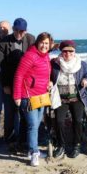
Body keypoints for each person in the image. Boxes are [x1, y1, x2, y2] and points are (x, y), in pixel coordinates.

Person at [13, 32, 53, 166]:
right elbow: (19, 75)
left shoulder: (46, 56)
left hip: (42, 96)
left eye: (47, 43)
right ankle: (34, 152)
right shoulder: (30, 55)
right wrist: (17, 96)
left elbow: (45, 74)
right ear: (37, 42)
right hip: (28, 96)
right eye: (42, 42)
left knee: (36, 125)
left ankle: (32, 150)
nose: (44, 45)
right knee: (33, 125)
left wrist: (49, 82)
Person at [50, 40, 87, 158]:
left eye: (71, 51)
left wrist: (86, 81)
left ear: (74, 52)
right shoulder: (54, 64)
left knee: (78, 120)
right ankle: (61, 145)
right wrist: (49, 81)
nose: (68, 54)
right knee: (58, 121)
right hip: (60, 99)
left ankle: (76, 145)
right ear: (61, 52)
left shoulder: (81, 64)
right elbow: (48, 76)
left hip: (77, 98)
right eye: (65, 51)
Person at [0, 18, 35, 151]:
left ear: (26, 30)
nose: (19, 33)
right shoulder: (4, 42)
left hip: (26, 84)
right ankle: (9, 139)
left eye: (22, 31)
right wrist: (5, 85)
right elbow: (1, 65)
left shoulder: (31, 39)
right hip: (10, 81)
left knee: (25, 112)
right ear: (12, 29)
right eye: (16, 30)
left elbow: (37, 57)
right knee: (10, 112)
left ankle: (24, 140)